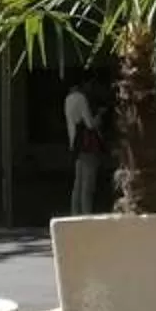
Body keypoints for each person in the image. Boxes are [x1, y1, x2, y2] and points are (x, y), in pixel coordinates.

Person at [63, 76, 106, 217]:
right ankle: (86, 214)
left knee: (78, 183)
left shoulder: (68, 99)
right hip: (87, 146)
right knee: (88, 184)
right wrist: (99, 116)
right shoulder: (81, 98)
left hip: (75, 144)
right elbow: (89, 124)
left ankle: (75, 213)